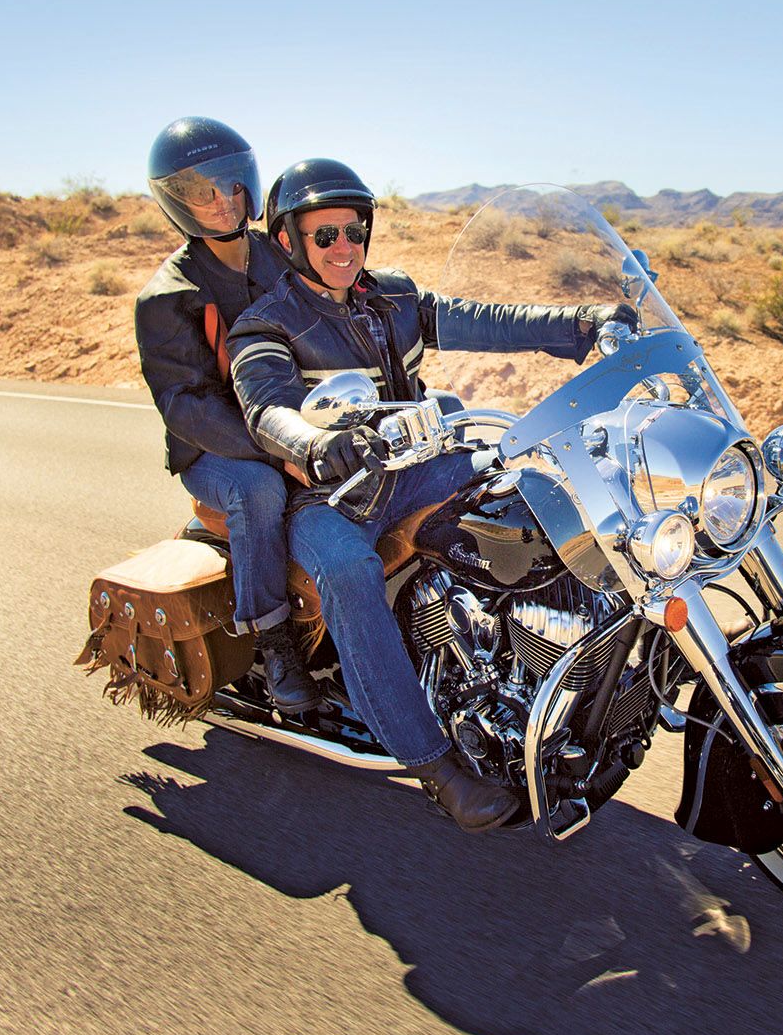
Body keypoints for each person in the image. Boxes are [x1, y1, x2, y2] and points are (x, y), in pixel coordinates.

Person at [228, 158, 631, 832]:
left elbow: (485, 320)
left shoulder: (391, 300)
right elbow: (266, 407)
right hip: (329, 496)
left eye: (354, 232)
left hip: (420, 465)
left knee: (532, 490)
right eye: (324, 236)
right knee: (349, 572)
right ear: (289, 242)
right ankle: (435, 766)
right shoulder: (265, 324)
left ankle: (542, 660)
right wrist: (313, 445)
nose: (344, 248)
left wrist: (583, 324)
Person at [133, 117, 320, 715]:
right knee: (261, 491)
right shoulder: (168, 296)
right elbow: (185, 404)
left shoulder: (283, 253)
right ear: (176, 203)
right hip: (220, 450)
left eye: (231, 185)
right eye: (200, 192)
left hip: (298, 419)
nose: (222, 203)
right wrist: (277, 448)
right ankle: (274, 640)